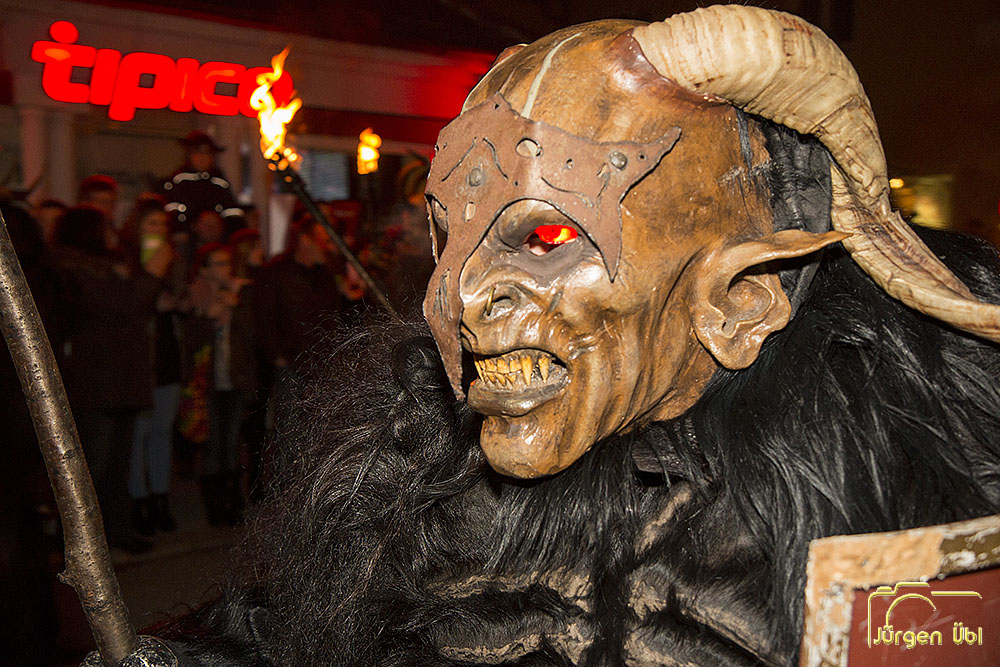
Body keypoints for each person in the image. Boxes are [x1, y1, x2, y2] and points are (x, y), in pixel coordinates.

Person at [91, 7, 1000, 665]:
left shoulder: (907, 518)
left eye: (548, 235)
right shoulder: (417, 478)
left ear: (742, 297)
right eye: (448, 238)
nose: (453, 296)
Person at [52, 205, 171, 554]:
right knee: (93, 466)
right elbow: (125, 304)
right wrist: (151, 273)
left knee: (118, 464)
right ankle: (80, 542)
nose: (112, 233)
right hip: (97, 385)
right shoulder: (74, 270)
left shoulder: (103, 268)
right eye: (104, 227)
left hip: (119, 381)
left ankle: (115, 531)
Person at [119, 195, 183, 535]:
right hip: (140, 358)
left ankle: (160, 499)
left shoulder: (171, 259)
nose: (158, 231)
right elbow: (127, 306)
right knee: (139, 435)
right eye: (151, 224)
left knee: (162, 432)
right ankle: (138, 502)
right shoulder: (125, 262)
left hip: (166, 353)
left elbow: (185, 298)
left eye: (162, 225)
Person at [183, 243, 256, 525]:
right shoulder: (197, 295)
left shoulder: (239, 297)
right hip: (209, 383)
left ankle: (231, 498)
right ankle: (215, 503)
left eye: (227, 263)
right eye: (218, 264)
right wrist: (210, 315)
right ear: (204, 269)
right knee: (213, 442)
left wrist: (235, 306)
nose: (225, 269)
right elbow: (191, 340)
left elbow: (250, 335)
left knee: (232, 440)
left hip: (234, 379)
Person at [161, 130, 242, 233]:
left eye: (207, 153)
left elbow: (231, 211)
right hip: (188, 235)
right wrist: (180, 230)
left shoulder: (219, 181)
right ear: (189, 155)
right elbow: (171, 211)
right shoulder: (179, 179)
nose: (203, 157)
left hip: (217, 236)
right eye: (198, 152)